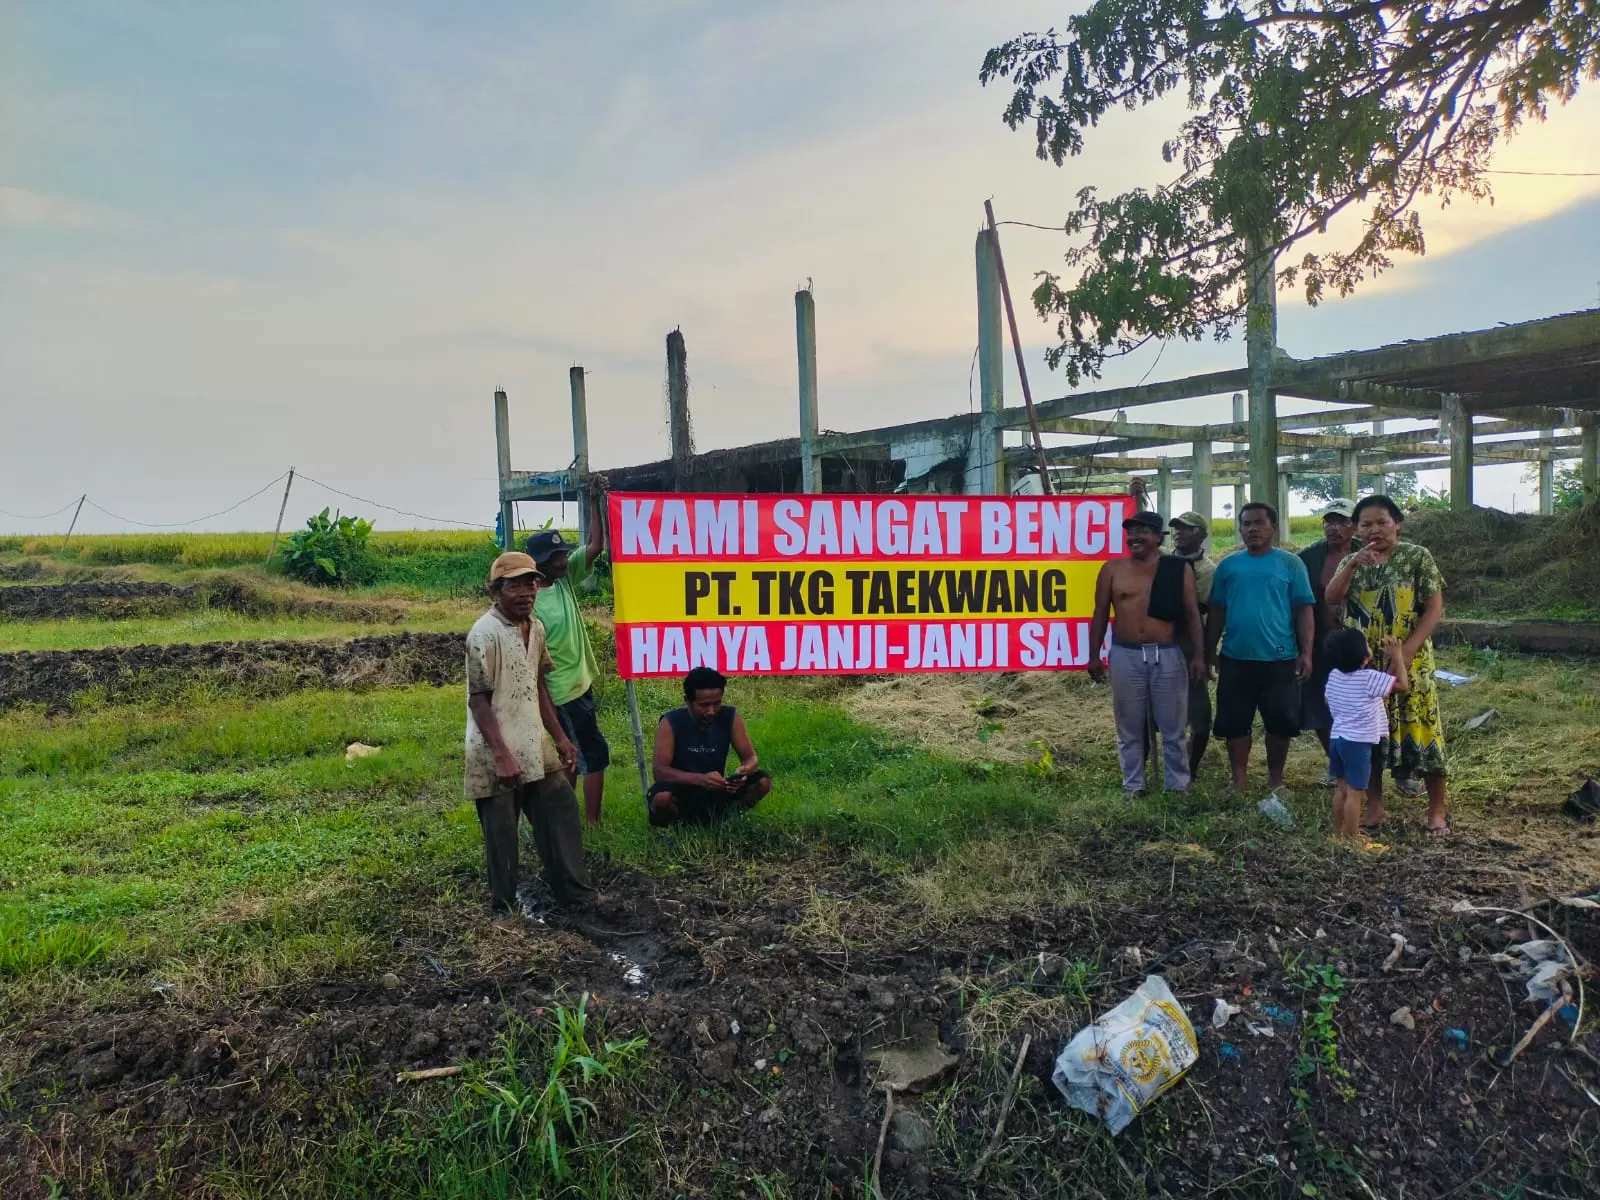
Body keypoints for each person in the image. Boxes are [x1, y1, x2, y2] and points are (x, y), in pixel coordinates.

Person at [465, 552, 595, 913]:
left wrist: (561, 738)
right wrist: (501, 756)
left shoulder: (535, 627)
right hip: (494, 748)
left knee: (561, 807)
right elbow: (478, 702)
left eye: (531, 584)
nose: (526, 592)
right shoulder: (484, 634)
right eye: (515, 586)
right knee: (502, 833)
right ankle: (504, 909)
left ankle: (575, 894)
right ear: (495, 591)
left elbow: (538, 685)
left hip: (534, 741)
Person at [1324, 494, 1450, 836]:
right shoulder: (1351, 561)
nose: (1375, 530)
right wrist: (1352, 564)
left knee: (1422, 727)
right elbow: (1331, 597)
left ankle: (1436, 810)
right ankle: (1375, 807)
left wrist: (1407, 650)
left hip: (1410, 660)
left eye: (1382, 522)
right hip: (1364, 664)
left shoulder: (1417, 557)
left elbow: (1434, 608)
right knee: (1368, 735)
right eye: (1366, 524)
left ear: (1398, 524)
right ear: (1356, 530)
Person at [1088, 511, 1207, 797]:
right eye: (1131, 532)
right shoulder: (1113, 569)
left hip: (1166, 652)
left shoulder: (1177, 568)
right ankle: (1133, 786)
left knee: (1173, 726)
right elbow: (1100, 613)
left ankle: (1177, 786)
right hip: (1125, 653)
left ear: (1157, 537)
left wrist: (1199, 656)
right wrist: (1094, 655)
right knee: (1128, 725)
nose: (1134, 537)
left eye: (1142, 531)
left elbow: (1192, 615)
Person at [1204, 502, 1315, 793]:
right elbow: (1217, 610)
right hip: (1235, 658)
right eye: (1246, 524)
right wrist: (1209, 650)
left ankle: (1276, 780)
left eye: (1259, 523)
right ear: (1240, 528)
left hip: (1280, 658)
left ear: (1273, 527)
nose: (1252, 529)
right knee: (1234, 723)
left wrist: (1306, 653)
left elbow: (1303, 610)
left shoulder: (1291, 564)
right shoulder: (1228, 566)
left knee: (1279, 723)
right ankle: (1238, 780)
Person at [527, 477, 611, 826]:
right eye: (556, 558)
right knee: (592, 753)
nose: (563, 561)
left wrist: (594, 501)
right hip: (563, 690)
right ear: (538, 564)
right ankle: (590, 822)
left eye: (563, 554)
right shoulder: (531, 600)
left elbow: (594, 546)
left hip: (579, 683)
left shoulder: (563, 579)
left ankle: (565, 817)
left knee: (572, 754)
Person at [648, 667, 773, 826]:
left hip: (717, 790)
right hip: (682, 793)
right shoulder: (670, 722)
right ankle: (675, 828)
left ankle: (727, 819)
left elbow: (751, 757)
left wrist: (744, 772)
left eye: (717, 703)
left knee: (762, 782)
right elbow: (660, 771)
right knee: (662, 798)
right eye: (704, 705)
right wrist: (700, 780)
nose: (712, 711)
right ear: (688, 701)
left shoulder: (730, 717)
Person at [1322, 627, 1410, 844]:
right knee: (1356, 794)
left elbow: (1327, 700)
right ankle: (1352, 839)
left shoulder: (1334, 675)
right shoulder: (1369, 678)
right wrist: (1398, 656)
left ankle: (1338, 834)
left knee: (1342, 790)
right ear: (1364, 655)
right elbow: (1402, 686)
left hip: (1337, 739)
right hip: (1357, 744)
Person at [1298, 499, 1358, 785]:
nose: (1334, 528)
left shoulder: (1369, 553)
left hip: (1358, 643)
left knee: (1361, 704)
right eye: (1329, 522)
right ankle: (1336, 766)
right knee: (1319, 704)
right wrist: (1304, 648)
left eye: (1342, 522)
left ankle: (1371, 767)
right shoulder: (1308, 557)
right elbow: (1301, 603)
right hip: (1320, 640)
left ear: (1354, 526)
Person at [1168, 511, 1217, 777]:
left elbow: (1205, 613)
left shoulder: (1208, 571)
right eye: (1177, 528)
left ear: (1201, 535)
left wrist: (1206, 654)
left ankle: (1192, 767)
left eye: (1186, 529)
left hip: (1190, 645)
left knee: (1199, 711)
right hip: (1160, 641)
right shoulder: (1161, 560)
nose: (1179, 533)